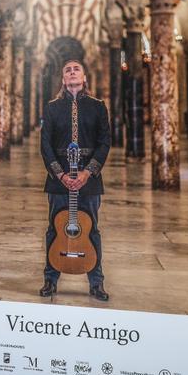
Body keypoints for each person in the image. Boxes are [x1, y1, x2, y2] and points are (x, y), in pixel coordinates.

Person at [40, 59, 111, 301]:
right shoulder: (51, 107)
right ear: (63, 79)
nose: (71, 72)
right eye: (67, 70)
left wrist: (86, 172)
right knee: (55, 228)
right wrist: (60, 173)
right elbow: (45, 144)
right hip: (59, 180)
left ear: (85, 78)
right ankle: (50, 279)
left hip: (88, 180)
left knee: (91, 230)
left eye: (76, 69)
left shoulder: (98, 106)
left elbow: (104, 142)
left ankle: (96, 283)